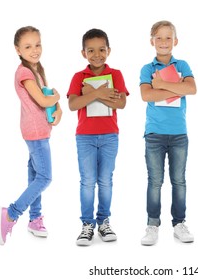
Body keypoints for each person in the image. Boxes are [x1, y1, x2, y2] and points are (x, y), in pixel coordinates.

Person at [0, 26, 62, 245]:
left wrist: (58, 109)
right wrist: (56, 97)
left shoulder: (37, 70)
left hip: (40, 129)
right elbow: (45, 100)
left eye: (37, 44)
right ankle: (11, 214)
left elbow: (47, 100)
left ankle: (35, 219)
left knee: (35, 176)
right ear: (18, 50)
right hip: (35, 132)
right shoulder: (24, 73)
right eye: (28, 46)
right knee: (45, 177)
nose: (34, 50)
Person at [67, 28, 129, 246]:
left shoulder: (116, 75)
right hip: (85, 137)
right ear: (83, 53)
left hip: (110, 136)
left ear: (109, 50)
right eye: (91, 50)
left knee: (105, 181)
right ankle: (87, 225)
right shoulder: (78, 77)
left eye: (101, 50)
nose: (97, 55)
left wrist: (91, 95)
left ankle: (103, 222)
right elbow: (73, 104)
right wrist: (99, 93)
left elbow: (121, 103)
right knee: (87, 181)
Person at [139, 20, 197, 246]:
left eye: (168, 37)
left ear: (176, 41)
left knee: (179, 181)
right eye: (159, 38)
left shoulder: (182, 65)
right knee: (155, 181)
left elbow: (191, 89)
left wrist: (160, 84)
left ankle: (179, 224)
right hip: (154, 133)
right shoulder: (147, 68)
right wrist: (175, 86)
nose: (164, 42)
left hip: (179, 134)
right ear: (152, 41)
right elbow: (146, 96)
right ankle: (152, 224)